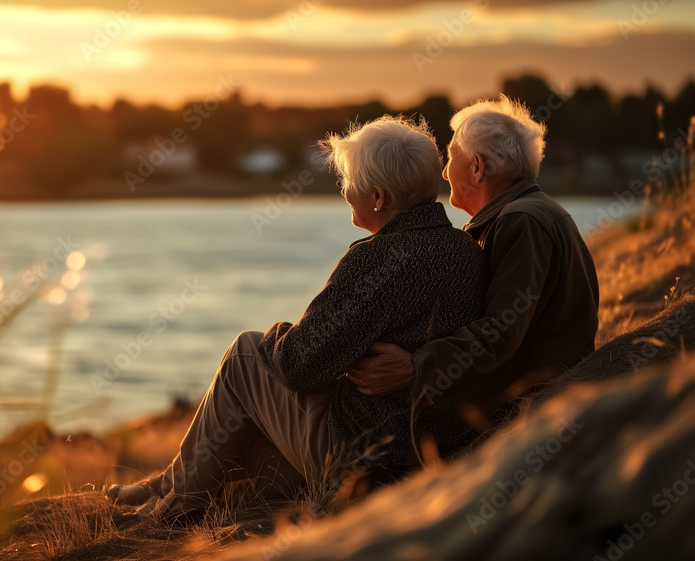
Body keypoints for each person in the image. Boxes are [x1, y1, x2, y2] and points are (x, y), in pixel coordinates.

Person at [107, 115, 485, 522]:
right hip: (432, 450)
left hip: (368, 456)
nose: (345, 191)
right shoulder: (466, 250)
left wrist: (279, 335)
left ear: (377, 196)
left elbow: (298, 366)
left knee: (246, 354)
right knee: (257, 442)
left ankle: (174, 509)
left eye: (348, 182)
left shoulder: (378, 258)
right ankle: (170, 486)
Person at [346, 95, 600, 444]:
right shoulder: (524, 214)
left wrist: (416, 366)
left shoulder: (521, 222)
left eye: (451, 158)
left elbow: (500, 331)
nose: (445, 172)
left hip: (527, 405)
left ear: (478, 167)